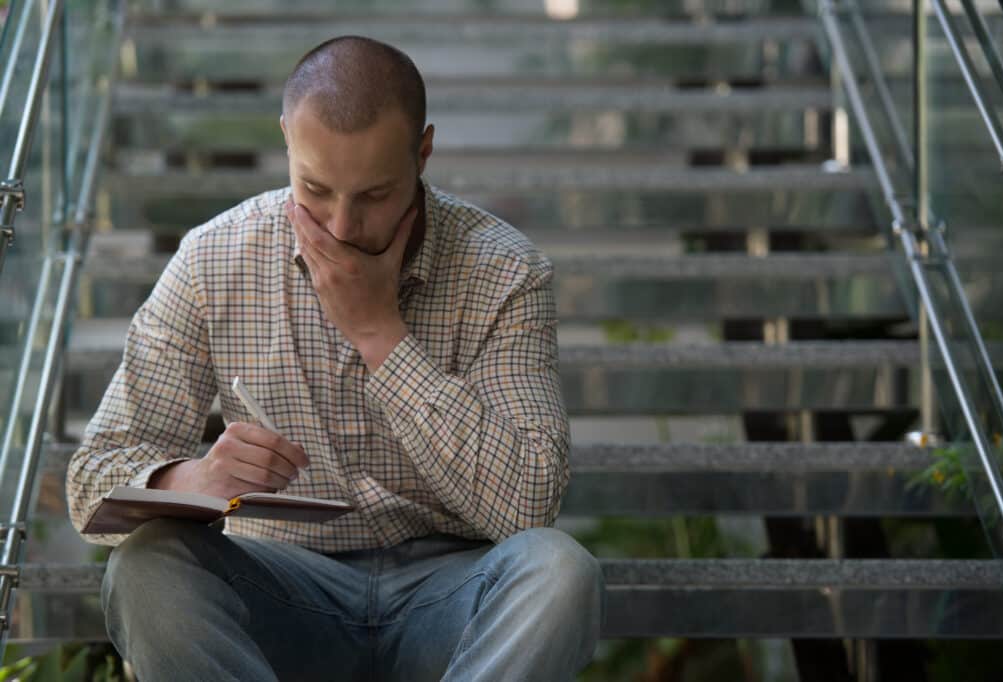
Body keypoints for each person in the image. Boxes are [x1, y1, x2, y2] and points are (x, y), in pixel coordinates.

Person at [66, 35, 604, 681]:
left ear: (423, 152)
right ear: (287, 142)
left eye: (374, 195)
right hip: (279, 591)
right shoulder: (215, 259)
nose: (342, 227)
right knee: (147, 563)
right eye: (315, 189)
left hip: (453, 595)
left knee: (559, 569)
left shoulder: (504, 270)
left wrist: (379, 333)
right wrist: (191, 479)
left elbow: (527, 506)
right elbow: (90, 482)